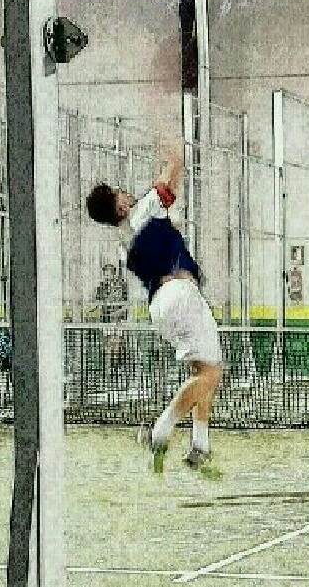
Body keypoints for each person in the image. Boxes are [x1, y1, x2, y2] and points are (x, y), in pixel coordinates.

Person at [86, 148, 223, 469]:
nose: (126, 192)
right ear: (120, 206)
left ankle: (200, 445)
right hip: (180, 295)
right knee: (211, 373)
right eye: (120, 192)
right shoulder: (143, 210)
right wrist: (172, 148)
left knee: (202, 371)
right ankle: (160, 430)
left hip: (161, 304)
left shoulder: (126, 241)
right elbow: (172, 169)